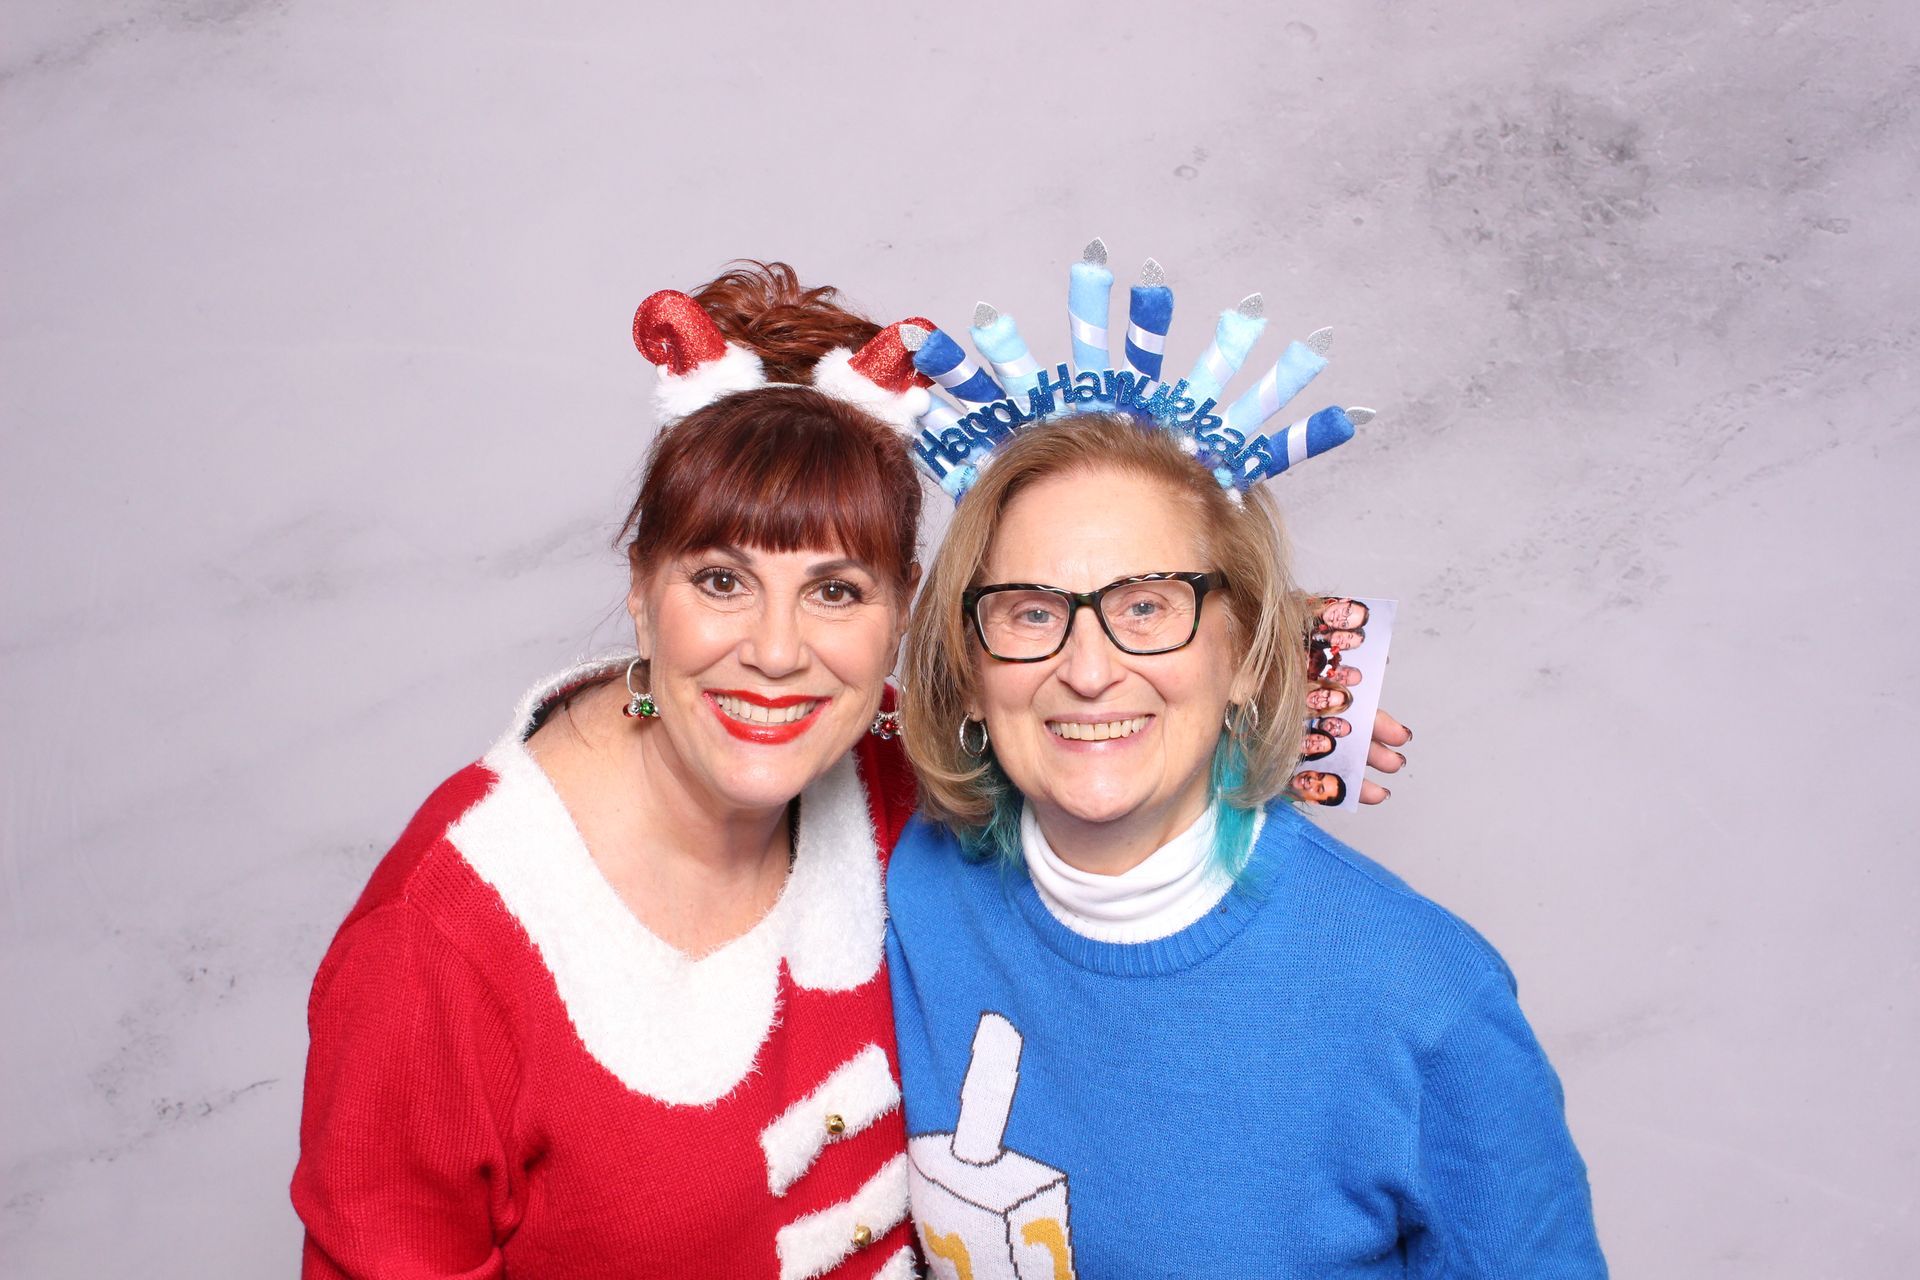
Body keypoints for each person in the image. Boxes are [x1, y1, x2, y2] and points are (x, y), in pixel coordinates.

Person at [292, 264, 929, 1279]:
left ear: (902, 606)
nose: (776, 651)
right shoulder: (441, 939)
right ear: (640, 585)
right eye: (721, 580)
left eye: (836, 591)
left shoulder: (907, 772)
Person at [888, 414, 1604, 1276]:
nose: (1088, 670)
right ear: (969, 669)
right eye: (1032, 612)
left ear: (1250, 655)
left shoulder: (1422, 994)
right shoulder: (904, 877)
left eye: (1146, 606)